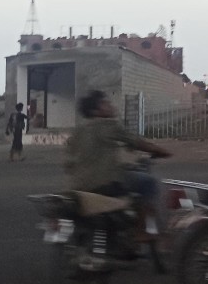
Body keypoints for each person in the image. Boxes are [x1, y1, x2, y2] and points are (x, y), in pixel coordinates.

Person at [65, 91, 172, 240]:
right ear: (95, 111)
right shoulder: (108, 125)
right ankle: (141, 230)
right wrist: (161, 151)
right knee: (149, 183)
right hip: (105, 183)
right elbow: (136, 142)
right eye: (105, 103)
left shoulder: (77, 132)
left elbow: (68, 163)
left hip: (79, 185)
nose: (111, 105)